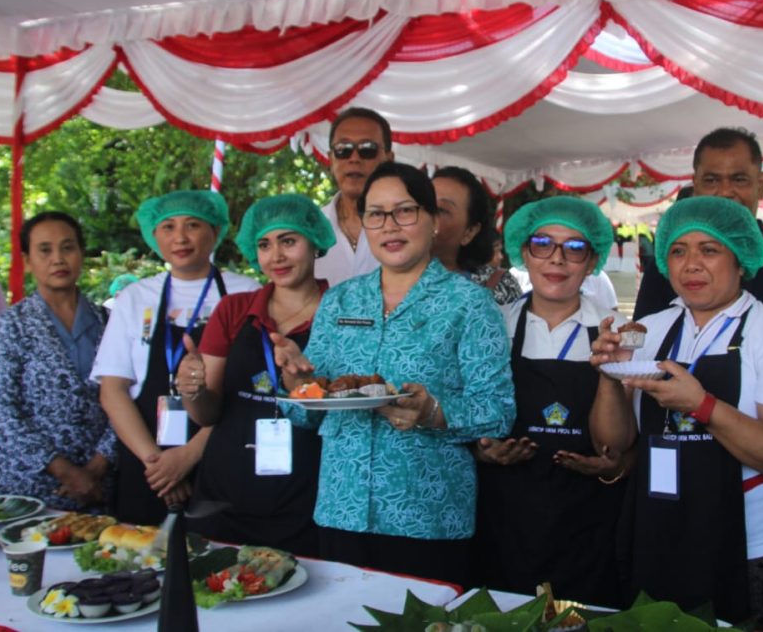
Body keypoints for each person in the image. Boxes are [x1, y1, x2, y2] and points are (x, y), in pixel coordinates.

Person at [275, 162, 515, 585]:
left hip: (427, 514)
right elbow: (308, 411)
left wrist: (433, 412)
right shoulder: (341, 302)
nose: (390, 225)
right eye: (376, 213)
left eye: (405, 211)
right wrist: (298, 384)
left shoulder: (470, 304)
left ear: (433, 220)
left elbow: (497, 410)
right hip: (342, 508)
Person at [591, 196, 763, 627]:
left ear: (740, 260)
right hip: (660, 531)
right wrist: (607, 375)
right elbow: (613, 443)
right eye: (678, 250)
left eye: (709, 250)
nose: (691, 264)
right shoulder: (648, 330)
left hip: (751, 543)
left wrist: (703, 405)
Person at [473, 196, 635, 607]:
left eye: (575, 247)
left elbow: (617, 445)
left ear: (593, 259)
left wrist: (607, 375)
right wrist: (484, 450)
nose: (557, 259)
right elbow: (472, 417)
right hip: (506, 518)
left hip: (588, 522)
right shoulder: (494, 325)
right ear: (523, 253)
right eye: (542, 243)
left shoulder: (615, 332)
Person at [176, 194, 335, 557]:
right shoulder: (234, 309)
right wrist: (193, 390)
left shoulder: (340, 311)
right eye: (264, 244)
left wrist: (302, 383)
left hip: (307, 499)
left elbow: (336, 411)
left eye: (288, 241)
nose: (275, 256)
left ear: (315, 244)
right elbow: (207, 414)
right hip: (223, 495)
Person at [92, 190, 260, 525]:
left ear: (215, 231)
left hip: (222, 458)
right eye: (168, 227)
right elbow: (112, 390)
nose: (180, 237)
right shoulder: (134, 297)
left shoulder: (248, 294)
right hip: (148, 469)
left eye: (193, 224)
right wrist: (159, 465)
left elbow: (255, 390)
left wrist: (189, 455)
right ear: (153, 235)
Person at [633, 127, 763, 320]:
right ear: (696, 186)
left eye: (739, 179)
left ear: (760, 185)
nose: (725, 192)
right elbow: (643, 341)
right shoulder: (669, 266)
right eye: (711, 180)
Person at [0, 212, 113, 510]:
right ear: (28, 261)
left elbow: (130, 397)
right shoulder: (11, 325)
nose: (58, 259)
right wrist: (65, 471)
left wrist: (97, 467)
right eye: (45, 250)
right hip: (26, 487)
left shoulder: (110, 322)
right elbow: (1, 409)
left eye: (67, 247)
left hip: (98, 486)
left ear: (82, 254)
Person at [315, 107, 394, 286]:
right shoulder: (308, 229)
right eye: (343, 149)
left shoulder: (409, 228)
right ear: (331, 159)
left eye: (367, 149)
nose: (354, 158)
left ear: (389, 159)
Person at [432, 166, 521, 304]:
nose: (427, 215)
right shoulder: (391, 277)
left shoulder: (497, 285)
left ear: (469, 232)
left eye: (441, 210)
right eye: (423, 204)